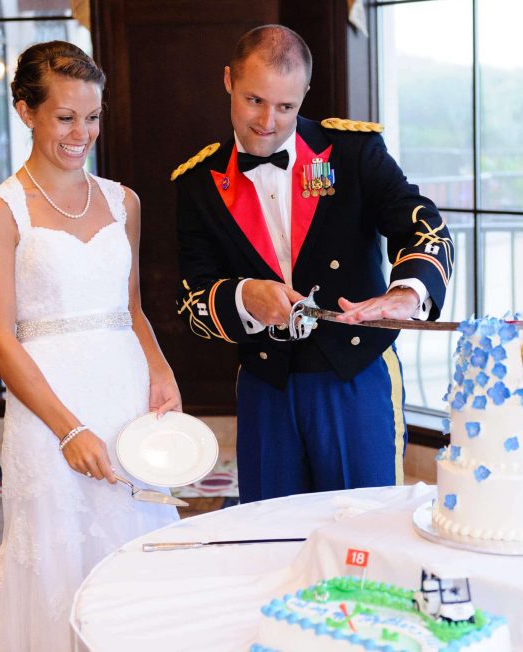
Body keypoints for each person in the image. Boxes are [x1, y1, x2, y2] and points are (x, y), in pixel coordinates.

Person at [173, 25, 454, 503]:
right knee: (271, 532)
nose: (268, 122)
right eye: (254, 100)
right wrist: (246, 297)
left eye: (286, 106)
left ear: (305, 93)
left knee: (364, 528)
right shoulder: (197, 182)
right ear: (228, 81)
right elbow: (191, 299)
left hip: (356, 374)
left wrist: (405, 293)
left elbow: (421, 224)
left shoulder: (351, 151)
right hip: (266, 382)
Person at [0, 41, 181, 652]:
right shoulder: (0, 210)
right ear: (25, 111)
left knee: (132, 548)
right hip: (48, 415)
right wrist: (67, 430)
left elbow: (133, 308)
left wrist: (161, 371)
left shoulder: (124, 202)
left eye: (92, 117)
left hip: (123, 400)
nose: (81, 132)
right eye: (66, 117)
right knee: (60, 556)